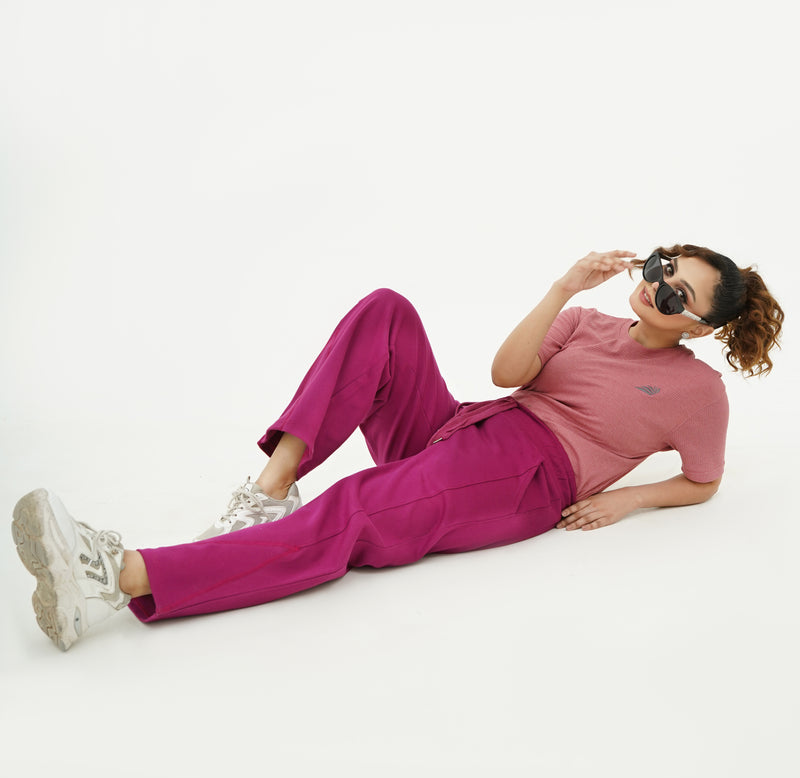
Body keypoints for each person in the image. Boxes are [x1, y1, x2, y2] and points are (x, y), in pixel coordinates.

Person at [12, 247, 784, 651]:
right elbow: (506, 374)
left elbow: (704, 480)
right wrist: (562, 288)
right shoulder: (587, 321)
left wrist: (628, 498)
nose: (656, 287)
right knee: (386, 311)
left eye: (677, 293)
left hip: (526, 474)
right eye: (660, 267)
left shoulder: (697, 392)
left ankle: (118, 576)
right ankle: (270, 490)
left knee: (357, 508)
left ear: (700, 326)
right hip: (471, 425)